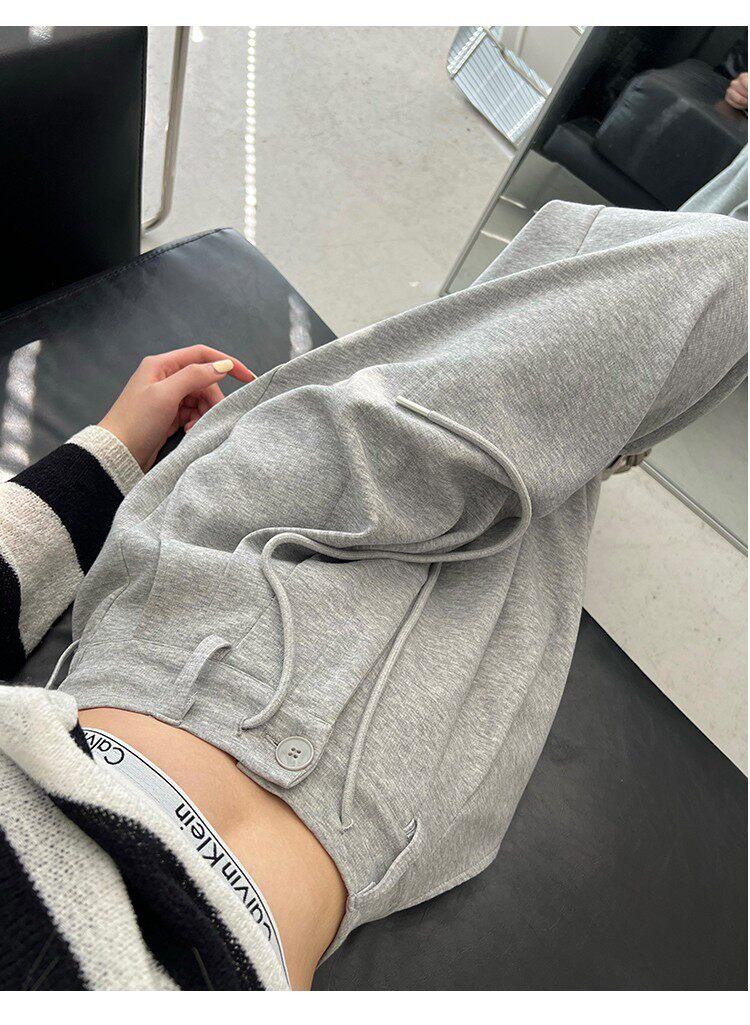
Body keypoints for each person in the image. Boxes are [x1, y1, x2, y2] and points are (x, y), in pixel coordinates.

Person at [1, 200, 747, 992]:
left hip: (192, 625)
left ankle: (596, 412)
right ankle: (603, 425)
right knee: (654, 330)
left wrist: (108, 455)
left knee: (711, 271)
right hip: (394, 810)